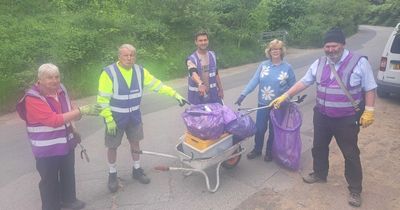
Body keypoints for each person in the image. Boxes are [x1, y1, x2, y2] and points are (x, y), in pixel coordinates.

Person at [269, 27, 377, 207]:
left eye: (334, 45)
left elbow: (370, 87)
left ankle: (355, 190)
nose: (331, 50)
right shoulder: (319, 63)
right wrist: (285, 95)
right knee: (318, 147)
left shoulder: (359, 62)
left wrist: (370, 110)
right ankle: (320, 174)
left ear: (343, 44)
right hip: (322, 116)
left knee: (350, 154)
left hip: (347, 118)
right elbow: (304, 81)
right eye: (327, 46)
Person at [97, 44, 188, 193]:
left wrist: (175, 95)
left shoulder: (140, 71)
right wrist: (108, 118)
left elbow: (157, 85)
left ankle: (137, 169)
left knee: (135, 143)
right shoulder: (109, 73)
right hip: (115, 118)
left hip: (134, 116)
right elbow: (102, 99)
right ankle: (112, 174)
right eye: (126, 55)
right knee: (112, 146)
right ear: (119, 57)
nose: (129, 58)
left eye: (132, 55)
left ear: (135, 56)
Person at [16, 63, 101, 210]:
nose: (54, 81)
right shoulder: (32, 98)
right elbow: (53, 121)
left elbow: (67, 109)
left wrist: (77, 115)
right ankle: (51, 206)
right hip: (46, 148)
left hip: (66, 143)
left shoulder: (61, 89)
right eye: (49, 78)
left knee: (68, 172)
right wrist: (82, 110)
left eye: (57, 76)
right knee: (49, 180)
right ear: (40, 79)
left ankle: (69, 200)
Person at [234, 39, 296, 162]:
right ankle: (257, 150)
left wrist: (287, 99)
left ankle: (269, 152)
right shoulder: (263, 65)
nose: (275, 51)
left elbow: (293, 87)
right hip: (263, 104)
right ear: (269, 51)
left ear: (281, 51)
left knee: (274, 130)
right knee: (260, 128)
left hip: (279, 105)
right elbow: (254, 81)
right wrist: (243, 94)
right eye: (273, 49)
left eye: (278, 49)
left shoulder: (287, 67)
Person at [186, 30, 224, 105]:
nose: (203, 42)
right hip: (197, 98)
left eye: (205, 40)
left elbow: (216, 73)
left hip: (213, 96)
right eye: (200, 41)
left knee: (218, 116)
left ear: (208, 41)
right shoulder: (191, 59)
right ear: (196, 42)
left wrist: (220, 89)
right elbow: (193, 73)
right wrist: (200, 84)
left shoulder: (212, 55)